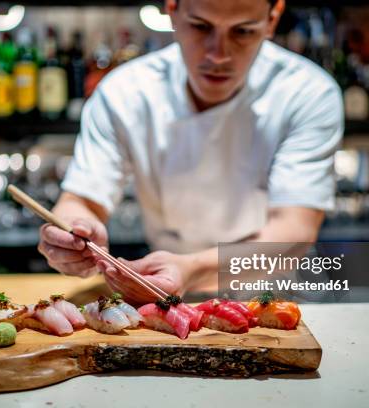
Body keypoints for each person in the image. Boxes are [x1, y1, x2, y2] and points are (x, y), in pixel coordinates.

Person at [38, 0, 343, 303]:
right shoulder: (124, 92)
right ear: (173, 11)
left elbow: (293, 232)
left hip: (276, 292)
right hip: (165, 292)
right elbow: (81, 201)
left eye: (243, 31)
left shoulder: (308, 92)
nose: (219, 54)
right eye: (200, 26)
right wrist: (73, 232)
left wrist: (192, 270)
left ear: (272, 19)